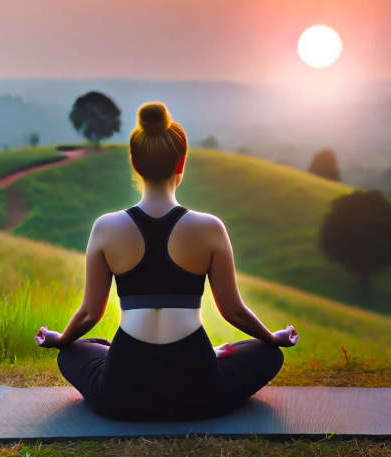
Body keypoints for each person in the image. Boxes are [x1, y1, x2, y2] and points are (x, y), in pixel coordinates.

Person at [34, 101, 299, 421]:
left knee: (73, 351)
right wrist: (273, 338)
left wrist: (60, 339)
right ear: (181, 162)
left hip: (121, 395)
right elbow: (233, 311)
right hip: (200, 392)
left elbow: (91, 312)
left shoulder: (105, 228)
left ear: (134, 163)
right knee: (266, 355)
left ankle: (107, 353)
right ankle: (212, 356)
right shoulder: (209, 228)